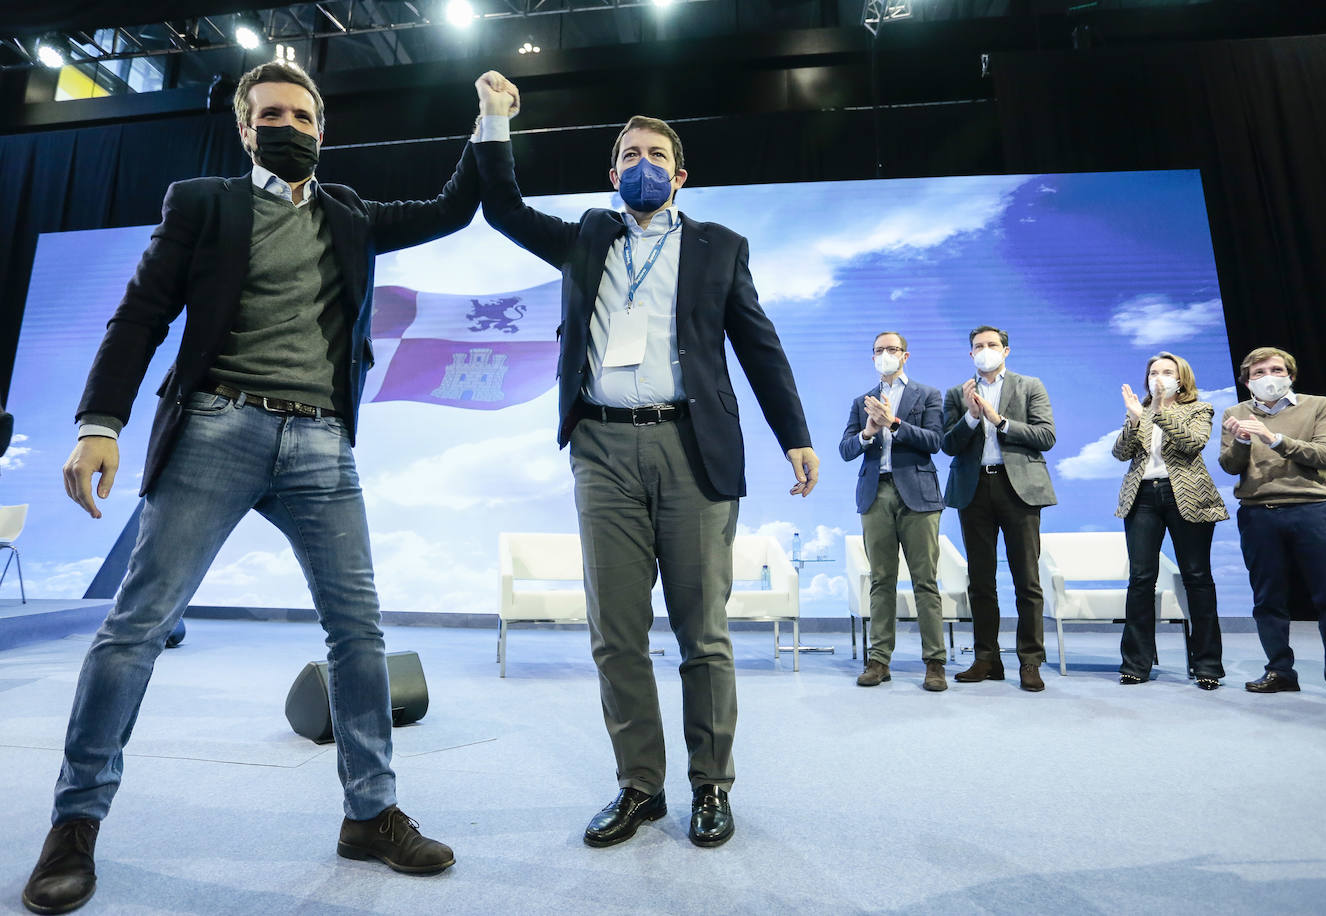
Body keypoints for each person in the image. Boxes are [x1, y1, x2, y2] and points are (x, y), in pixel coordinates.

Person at [24, 61, 478, 915]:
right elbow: (140, 314)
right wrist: (99, 423)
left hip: (320, 445)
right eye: (271, 114)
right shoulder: (204, 203)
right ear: (245, 129)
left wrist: (490, 121)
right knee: (135, 630)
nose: (289, 126)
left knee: (360, 635)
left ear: (322, 128)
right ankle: (74, 826)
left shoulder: (349, 212)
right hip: (216, 430)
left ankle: (370, 814)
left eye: (302, 114)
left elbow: (453, 208)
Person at [470, 71, 820, 848]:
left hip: (690, 448)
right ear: (611, 172)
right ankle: (639, 787)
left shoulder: (720, 247)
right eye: (629, 154)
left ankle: (710, 787)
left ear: (681, 174)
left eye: (656, 154)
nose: (642, 164)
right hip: (600, 447)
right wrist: (496, 121)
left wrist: (793, 432)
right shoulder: (589, 235)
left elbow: (759, 346)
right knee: (615, 634)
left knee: (704, 633)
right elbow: (501, 208)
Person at [1219, 347, 1326, 705]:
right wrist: (1240, 441)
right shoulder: (1236, 413)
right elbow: (1229, 466)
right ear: (1247, 380)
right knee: (1268, 599)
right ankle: (1280, 671)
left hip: (1314, 510)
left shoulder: (1320, 406)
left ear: (1290, 375)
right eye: (1258, 373)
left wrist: (1274, 439)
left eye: (1276, 369)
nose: (1268, 377)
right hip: (1259, 513)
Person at [941, 325, 1056, 692]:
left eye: (992, 345)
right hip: (974, 489)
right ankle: (986, 659)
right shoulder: (958, 394)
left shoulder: (1030, 386)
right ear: (970, 353)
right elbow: (948, 444)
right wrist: (972, 416)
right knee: (981, 580)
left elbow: (1046, 436)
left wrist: (998, 419)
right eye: (978, 346)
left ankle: (1030, 661)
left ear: (1006, 351)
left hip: (1018, 487)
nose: (985, 350)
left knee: (1027, 579)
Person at [1112, 352, 1228, 689]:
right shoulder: (1140, 411)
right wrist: (1135, 420)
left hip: (1187, 497)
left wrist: (1162, 412)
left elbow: (1192, 444)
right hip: (1143, 498)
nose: (1158, 378)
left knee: (1197, 577)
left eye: (1166, 372)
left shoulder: (1198, 409)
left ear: (1181, 378)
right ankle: (1135, 664)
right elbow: (1121, 453)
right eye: (1153, 372)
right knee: (1141, 579)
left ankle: (1207, 665)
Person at [839, 332, 947, 691]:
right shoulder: (862, 401)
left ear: (906, 355)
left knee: (925, 581)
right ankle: (879, 660)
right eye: (879, 351)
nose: (886, 355)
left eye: (892, 350)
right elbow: (845, 448)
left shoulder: (927, 394)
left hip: (918, 494)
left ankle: (935, 663)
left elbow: (936, 441)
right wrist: (869, 433)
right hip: (875, 494)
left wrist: (895, 423)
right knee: (881, 579)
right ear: (872, 357)